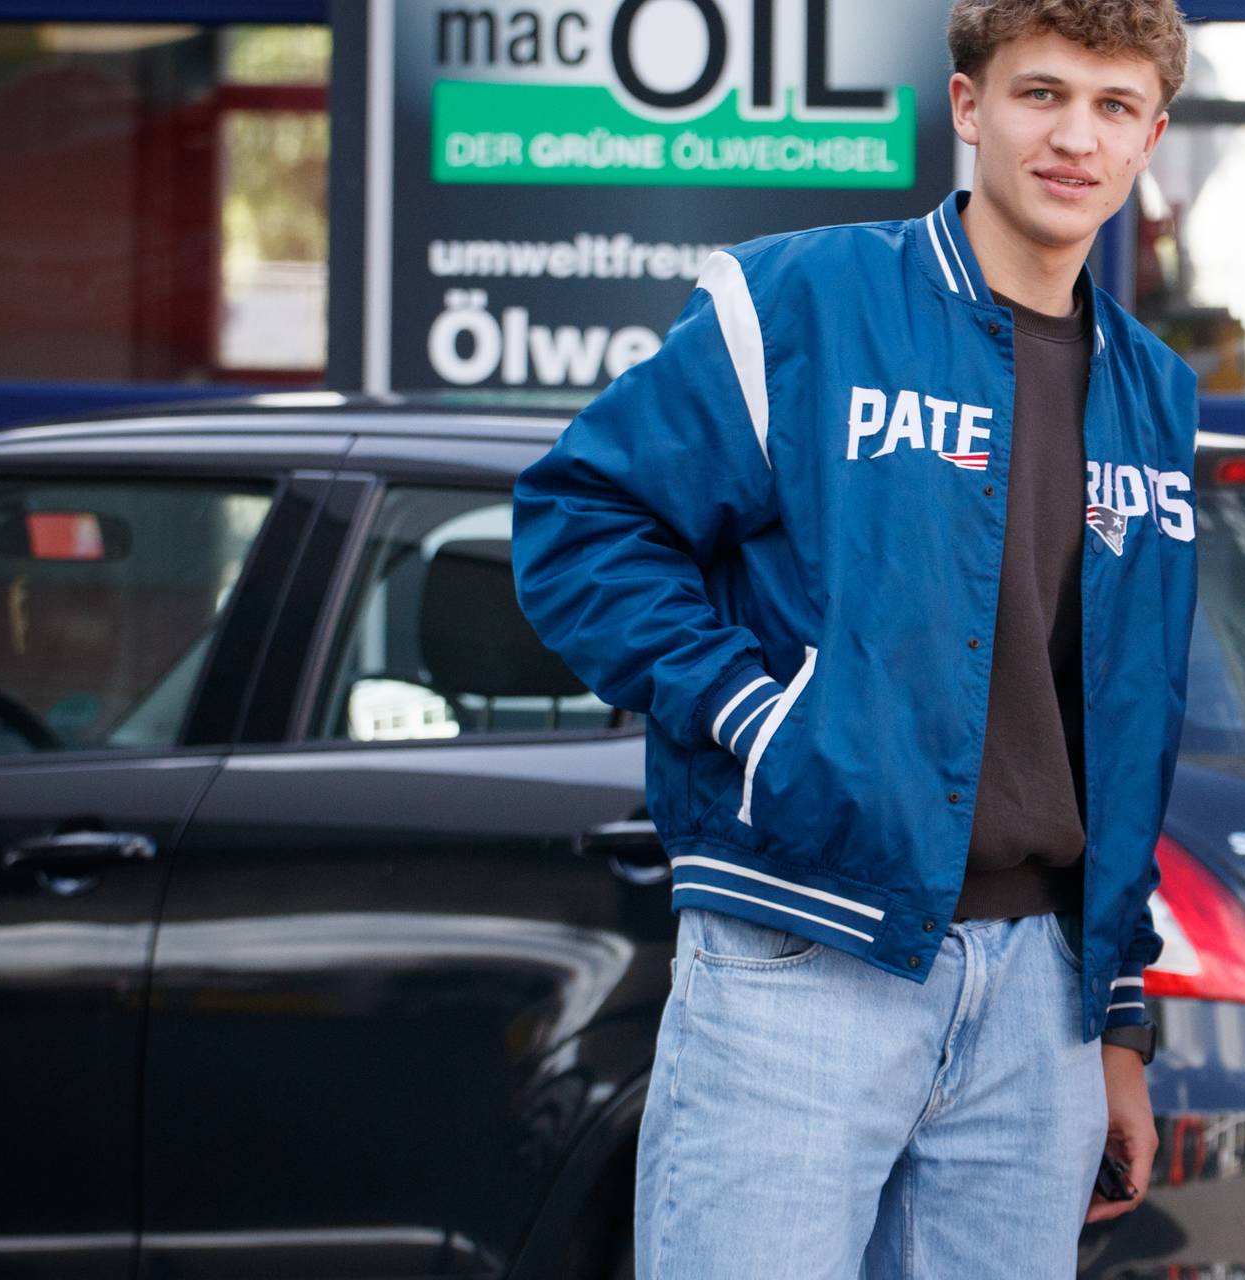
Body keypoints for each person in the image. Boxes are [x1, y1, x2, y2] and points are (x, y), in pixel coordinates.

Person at [509, 2, 1200, 1276]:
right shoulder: (804, 301)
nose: (1075, 137)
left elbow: (1126, 703)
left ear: (1151, 134)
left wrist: (1115, 1012)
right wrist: (762, 719)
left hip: (1040, 999)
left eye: (1113, 108)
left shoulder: (1154, 388)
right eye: (1042, 93)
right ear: (967, 105)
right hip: (803, 952)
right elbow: (579, 521)